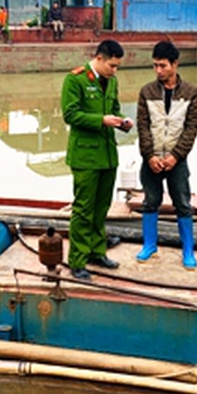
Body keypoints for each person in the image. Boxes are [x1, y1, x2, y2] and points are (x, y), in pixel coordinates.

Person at [61, 40, 133, 280]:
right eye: (112, 65)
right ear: (99, 58)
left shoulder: (111, 81)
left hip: (107, 155)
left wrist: (122, 120)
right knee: (83, 209)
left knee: (101, 208)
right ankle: (78, 260)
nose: (114, 71)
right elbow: (71, 114)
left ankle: (96, 251)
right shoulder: (76, 80)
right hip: (85, 156)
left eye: (117, 67)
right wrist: (101, 120)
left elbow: (114, 108)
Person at [135, 41, 197, 269]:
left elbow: (192, 128)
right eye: (155, 66)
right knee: (150, 201)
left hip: (177, 159)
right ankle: (149, 245)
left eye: (163, 66)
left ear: (175, 64)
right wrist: (149, 155)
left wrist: (176, 156)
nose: (158, 71)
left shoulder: (191, 92)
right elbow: (142, 126)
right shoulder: (146, 92)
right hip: (151, 158)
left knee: (182, 203)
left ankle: (188, 250)